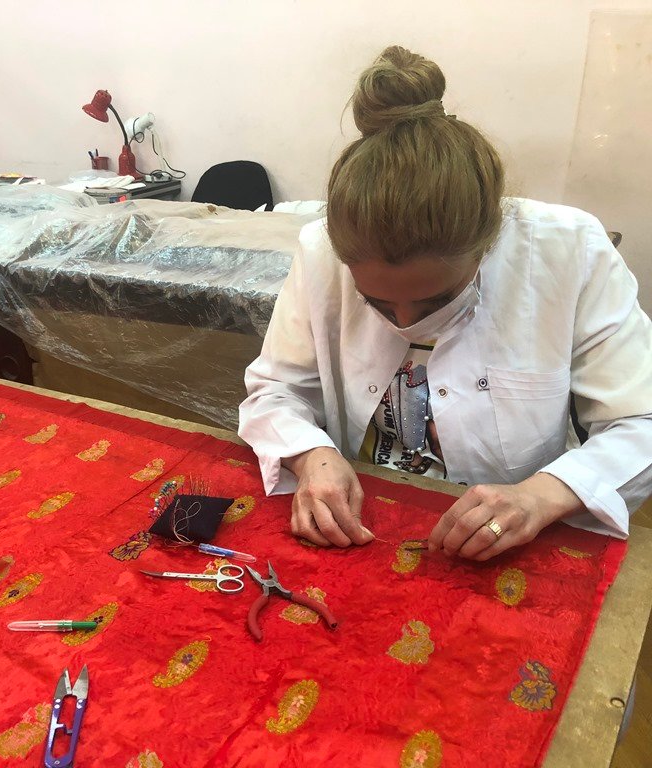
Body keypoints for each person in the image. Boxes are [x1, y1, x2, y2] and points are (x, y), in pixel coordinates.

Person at [238, 45, 652, 561]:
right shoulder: (323, 251)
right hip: (365, 520)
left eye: (437, 300)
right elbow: (275, 390)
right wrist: (313, 456)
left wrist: (541, 496)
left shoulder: (568, 251)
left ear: (488, 244)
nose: (406, 325)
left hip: (513, 539)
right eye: (378, 305)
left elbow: (640, 422)